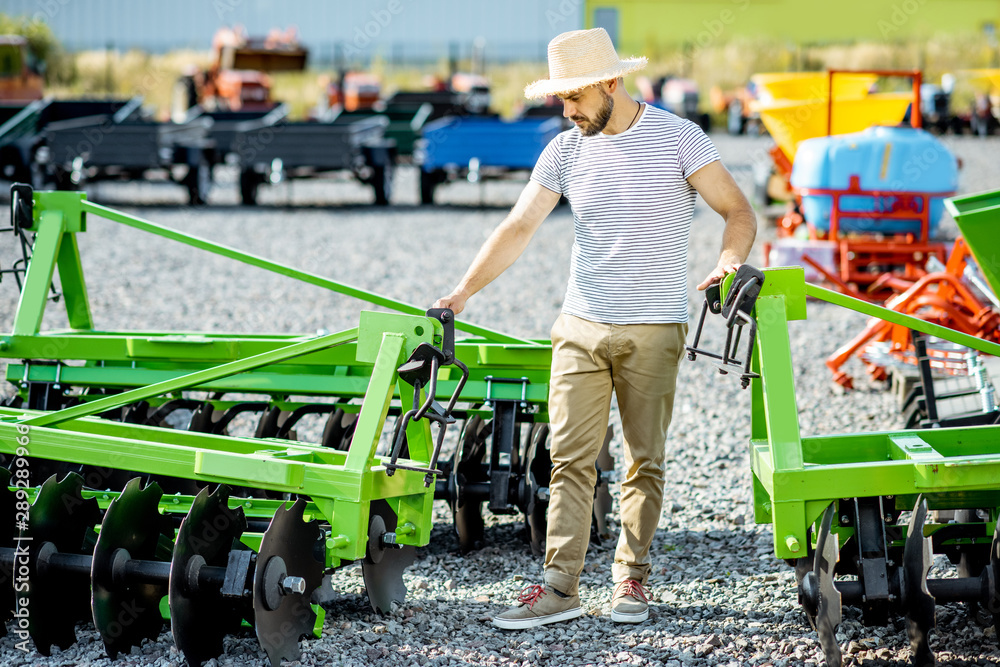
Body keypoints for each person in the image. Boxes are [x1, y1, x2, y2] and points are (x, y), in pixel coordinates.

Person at [433, 28, 756, 629]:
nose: (566, 108)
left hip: (656, 325)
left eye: (575, 95)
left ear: (612, 82)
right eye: (561, 97)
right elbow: (518, 227)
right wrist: (461, 293)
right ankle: (559, 588)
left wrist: (727, 262)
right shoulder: (564, 151)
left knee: (643, 461)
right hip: (579, 324)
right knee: (569, 460)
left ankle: (630, 581)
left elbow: (737, 210)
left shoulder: (679, 138)